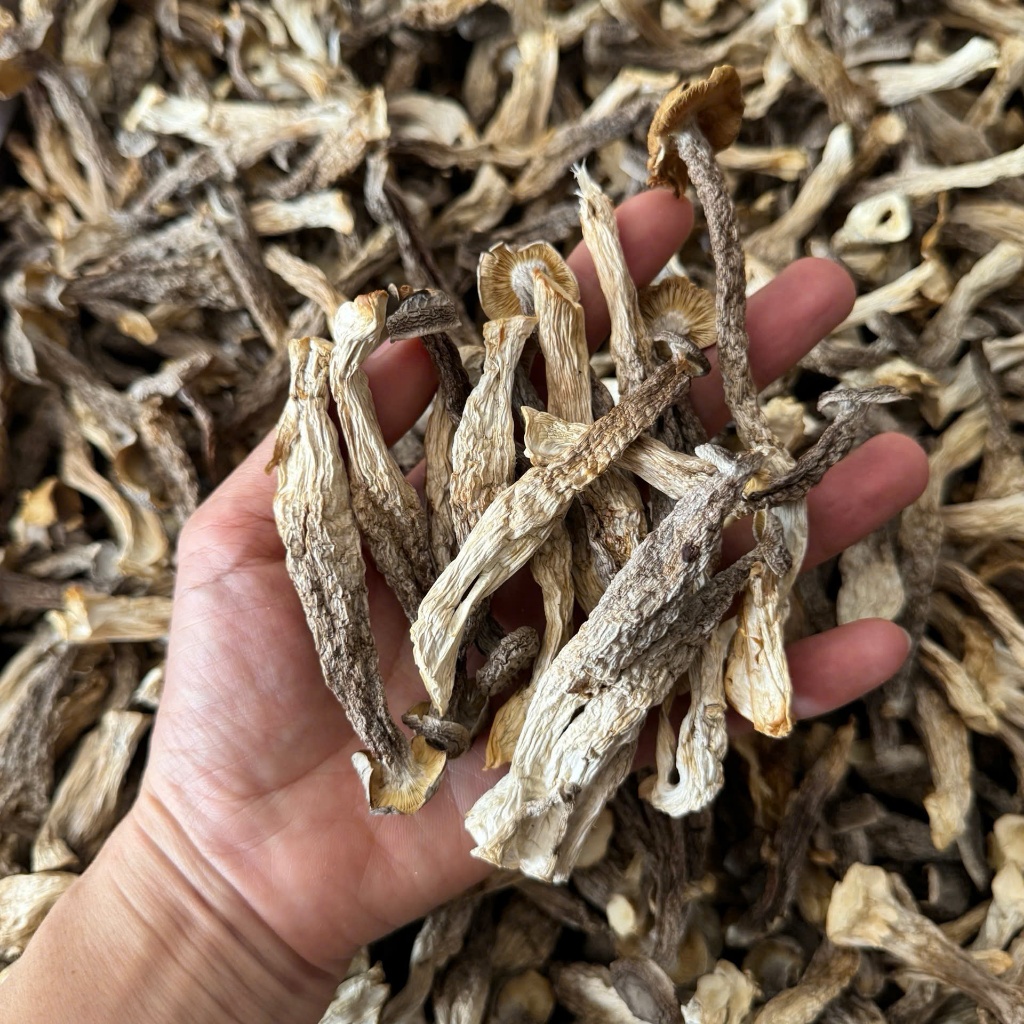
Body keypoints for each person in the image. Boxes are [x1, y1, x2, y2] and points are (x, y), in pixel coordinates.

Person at [0, 190, 928, 1023]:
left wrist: (201, 892)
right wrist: (200, 886)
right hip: (486, 661)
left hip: (564, 613)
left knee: (652, 549)